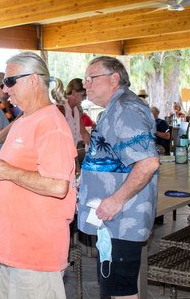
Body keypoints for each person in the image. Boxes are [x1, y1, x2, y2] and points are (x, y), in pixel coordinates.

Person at [0, 52, 77, 298]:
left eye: (10, 81)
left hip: (37, 252)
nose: (4, 88)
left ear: (33, 80)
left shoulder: (51, 124)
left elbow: (58, 186)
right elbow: (21, 168)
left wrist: (7, 171)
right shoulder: (24, 120)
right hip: (15, 247)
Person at [77, 56, 159, 299]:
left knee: (121, 291)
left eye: (92, 78)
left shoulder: (125, 109)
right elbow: (115, 157)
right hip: (115, 222)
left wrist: (116, 200)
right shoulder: (116, 108)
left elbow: (147, 162)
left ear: (114, 79)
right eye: (85, 79)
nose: (86, 84)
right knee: (113, 288)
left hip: (122, 220)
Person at [52, 78, 91, 148]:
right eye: (83, 95)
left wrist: (96, 148)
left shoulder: (76, 110)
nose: (85, 98)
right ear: (73, 93)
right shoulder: (61, 107)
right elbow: (56, 136)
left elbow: (84, 133)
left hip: (70, 153)